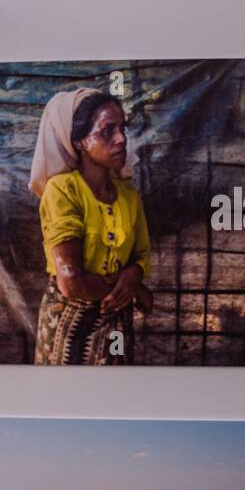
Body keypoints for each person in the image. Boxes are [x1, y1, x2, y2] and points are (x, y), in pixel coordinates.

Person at [29, 89, 154, 365]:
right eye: (107, 131)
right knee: (69, 401)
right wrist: (130, 289)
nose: (121, 139)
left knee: (114, 399)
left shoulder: (128, 195)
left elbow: (142, 254)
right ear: (80, 141)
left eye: (122, 128)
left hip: (117, 321)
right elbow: (72, 282)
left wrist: (135, 273)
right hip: (70, 325)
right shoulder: (63, 191)